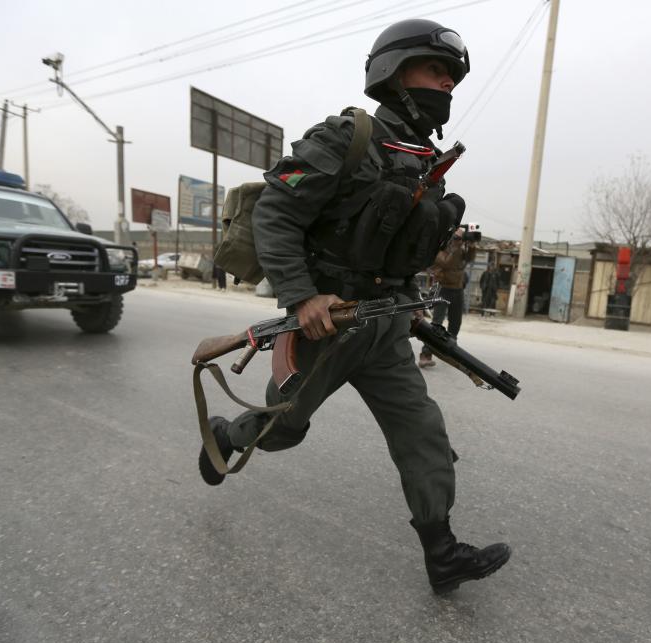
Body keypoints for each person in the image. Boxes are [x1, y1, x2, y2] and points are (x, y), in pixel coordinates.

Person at [198, 18, 510, 594]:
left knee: (423, 432)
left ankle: (441, 552)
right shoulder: (347, 139)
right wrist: (301, 295)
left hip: (385, 326)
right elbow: (276, 214)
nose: (446, 85)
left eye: (451, 77)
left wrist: (403, 304)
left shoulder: (423, 160)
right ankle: (229, 437)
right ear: (394, 72)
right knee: (283, 429)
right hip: (326, 324)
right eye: (435, 70)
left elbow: (395, 245)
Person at [418, 229, 476, 368]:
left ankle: (450, 352)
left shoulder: (460, 250)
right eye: (456, 237)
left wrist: (472, 245)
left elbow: (469, 258)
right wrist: (455, 247)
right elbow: (446, 264)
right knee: (437, 324)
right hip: (443, 288)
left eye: (460, 238)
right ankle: (425, 355)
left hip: (458, 289)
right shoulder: (441, 250)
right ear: (450, 238)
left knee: (455, 324)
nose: (459, 240)